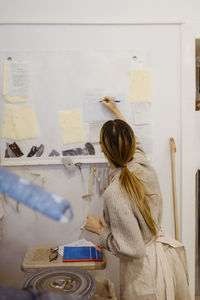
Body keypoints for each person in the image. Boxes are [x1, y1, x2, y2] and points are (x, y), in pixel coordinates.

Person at [84, 97, 191, 300]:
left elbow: (133, 249)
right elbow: (136, 144)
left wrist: (100, 230)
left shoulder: (115, 193)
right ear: (131, 145)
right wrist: (116, 112)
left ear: (104, 150)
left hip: (145, 274)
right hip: (166, 260)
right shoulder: (143, 166)